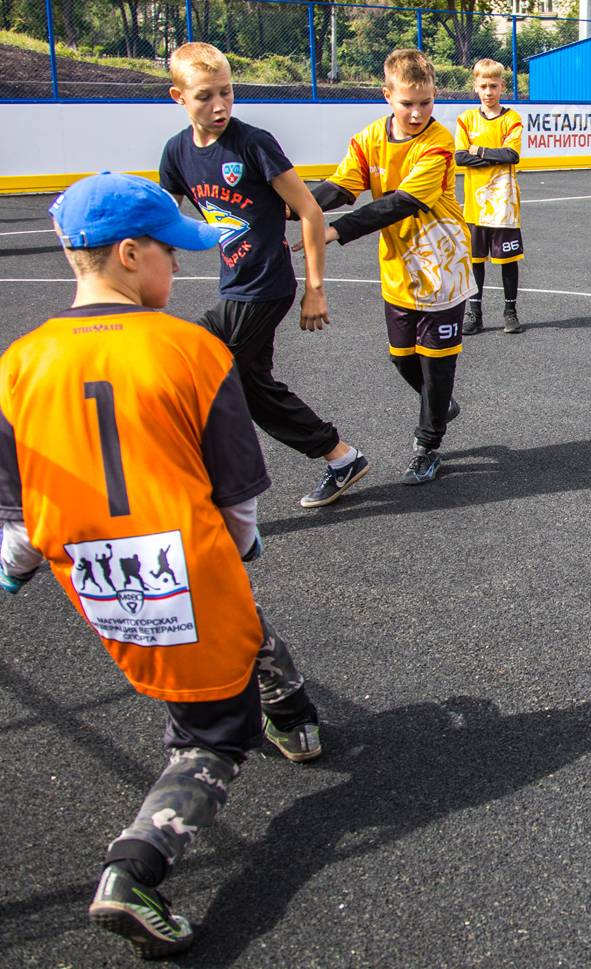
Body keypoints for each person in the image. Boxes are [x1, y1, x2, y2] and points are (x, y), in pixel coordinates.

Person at [0, 173, 322, 958]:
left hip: (96, 575)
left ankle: (289, 705)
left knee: (229, 631)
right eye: (172, 256)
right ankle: (136, 868)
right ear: (129, 253)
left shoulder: (19, 362)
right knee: (211, 732)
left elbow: (15, 512)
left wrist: (13, 568)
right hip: (186, 558)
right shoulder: (191, 348)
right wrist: (240, 544)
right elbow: (238, 495)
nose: (179, 271)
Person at [160, 42, 368, 509]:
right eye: (205, 96)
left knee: (199, 372)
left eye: (227, 93)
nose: (219, 106)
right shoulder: (176, 153)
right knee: (254, 388)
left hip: (265, 286)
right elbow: (166, 219)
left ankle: (205, 488)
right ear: (178, 96)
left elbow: (311, 212)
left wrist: (315, 290)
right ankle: (342, 458)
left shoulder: (253, 143)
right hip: (232, 284)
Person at [306, 48, 474, 485]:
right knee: (402, 359)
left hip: (442, 266)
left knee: (437, 363)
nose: (417, 113)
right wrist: (292, 207)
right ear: (387, 95)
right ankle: (439, 405)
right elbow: (341, 187)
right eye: (407, 103)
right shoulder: (368, 139)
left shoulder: (439, 141)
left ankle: (427, 444)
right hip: (399, 267)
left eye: (426, 102)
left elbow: (403, 202)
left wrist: (335, 232)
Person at [455, 58, 527, 335]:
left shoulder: (512, 118)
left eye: (494, 86)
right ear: (476, 86)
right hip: (475, 205)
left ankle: (510, 311)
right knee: (475, 261)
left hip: (504, 207)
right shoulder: (466, 119)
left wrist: (479, 151)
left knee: (508, 261)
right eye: (483, 86)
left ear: (502, 86)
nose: (489, 91)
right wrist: (489, 155)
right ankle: (475, 314)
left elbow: (512, 155)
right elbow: (460, 157)